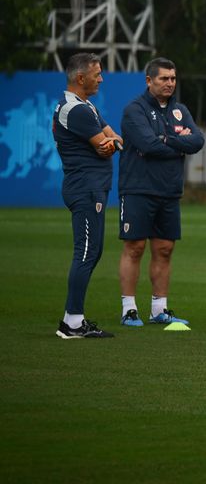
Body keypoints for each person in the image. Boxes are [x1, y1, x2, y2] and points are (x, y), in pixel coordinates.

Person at [117, 57, 205, 327]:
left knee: (165, 249)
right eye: (163, 78)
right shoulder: (135, 110)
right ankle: (129, 309)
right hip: (138, 189)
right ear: (149, 81)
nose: (169, 83)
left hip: (169, 191)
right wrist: (179, 145)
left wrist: (166, 140)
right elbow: (147, 144)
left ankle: (159, 309)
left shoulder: (179, 110)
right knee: (135, 247)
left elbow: (198, 140)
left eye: (173, 78)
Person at [54, 52, 122, 339]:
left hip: (92, 187)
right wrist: (107, 143)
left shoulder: (85, 105)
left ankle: (74, 319)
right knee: (85, 253)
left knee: (93, 252)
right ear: (80, 78)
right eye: (97, 74)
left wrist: (110, 142)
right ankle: (72, 323)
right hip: (84, 187)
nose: (101, 78)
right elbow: (103, 142)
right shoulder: (78, 110)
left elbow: (115, 139)